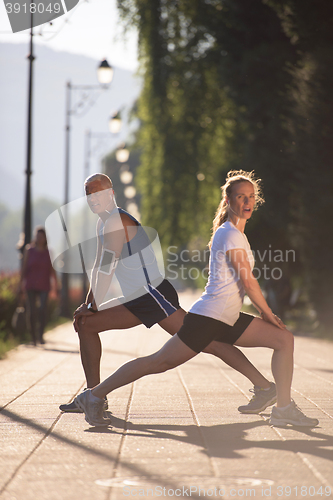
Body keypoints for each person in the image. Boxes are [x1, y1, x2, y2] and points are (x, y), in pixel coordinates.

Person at [74, 170, 319, 428]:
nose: (247, 202)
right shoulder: (229, 234)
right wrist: (268, 315)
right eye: (240, 197)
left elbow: (104, 268)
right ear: (228, 200)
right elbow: (248, 282)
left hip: (198, 308)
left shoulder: (235, 233)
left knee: (283, 339)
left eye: (251, 197)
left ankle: (281, 406)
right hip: (210, 317)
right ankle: (94, 395)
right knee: (159, 361)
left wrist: (91, 304)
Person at [20, 227, 58, 345]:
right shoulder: (29, 250)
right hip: (30, 284)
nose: (39, 238)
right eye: (37, 236)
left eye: (41, 236)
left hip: (44, 285)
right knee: (31, 311)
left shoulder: (48, 252)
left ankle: (40, 335)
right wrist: (20, 284)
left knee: (42, 310)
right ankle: (33, 338)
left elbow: (53, 271)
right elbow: (24, 268)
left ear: (45, 238)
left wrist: (56, 286)